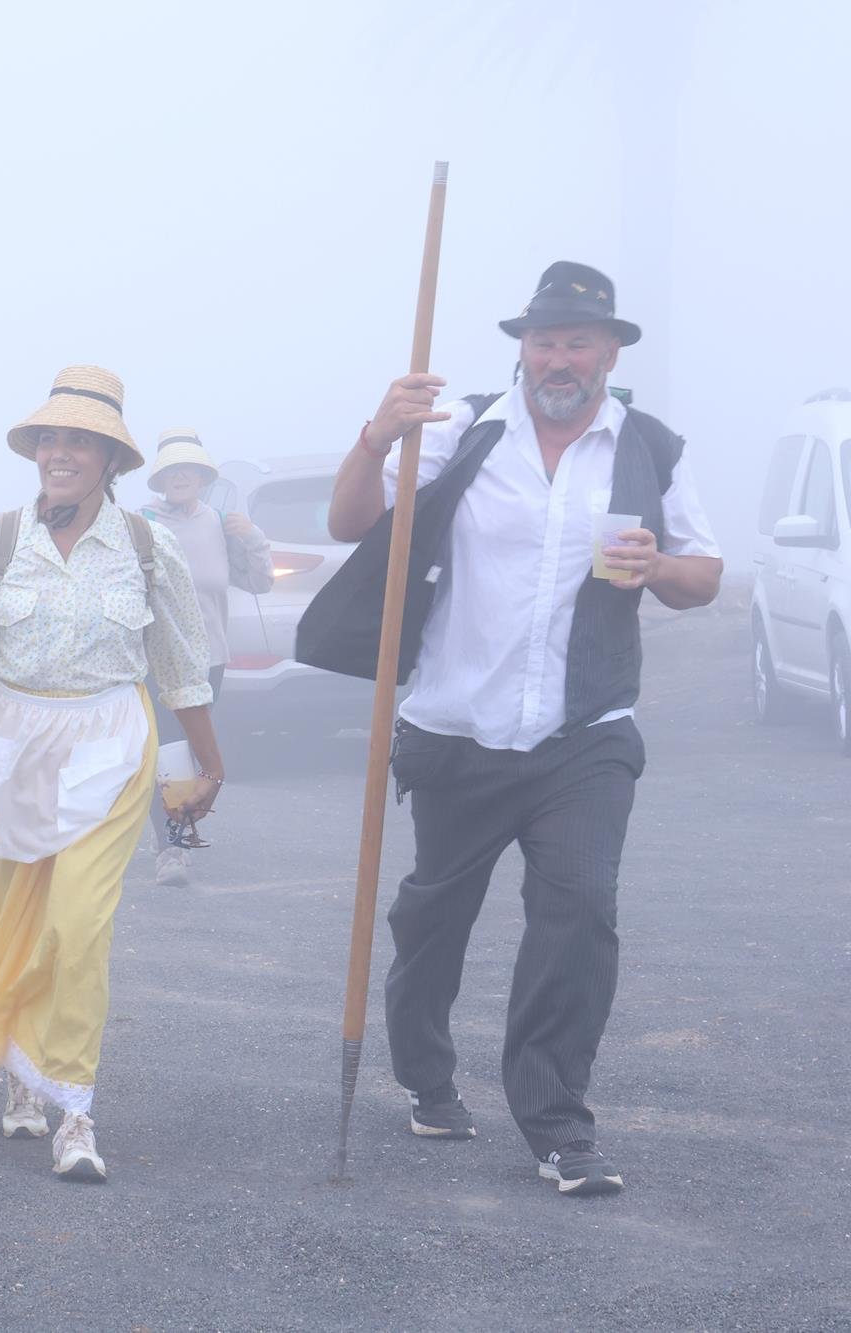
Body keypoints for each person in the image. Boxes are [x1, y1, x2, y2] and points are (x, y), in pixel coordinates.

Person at [310, 261, 723, 1197]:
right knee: (432, 918)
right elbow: (352, 522)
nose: (559, 358)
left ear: (611, 352)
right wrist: (377, 436)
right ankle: (426, 1074)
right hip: (457, 724)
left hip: (585, 731)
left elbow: (703, 577)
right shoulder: (464, 428)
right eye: (543, 341)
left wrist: (656, 563)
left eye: (578, 340)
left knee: (579, 912)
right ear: (523, 351)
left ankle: (558, 1125)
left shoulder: (651, 447)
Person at [0, 366, 224, 1183]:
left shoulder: (149, 547)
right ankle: (20, 1069)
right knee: (13, 920)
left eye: (79, 439)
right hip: (9, 748)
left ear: (112, 457)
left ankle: (74, 1107)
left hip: (112, 745)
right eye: (50, 437)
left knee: (76, 926)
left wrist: (208, 764)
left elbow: (183, 666)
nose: (60, 451)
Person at [138, 430, 274, 885]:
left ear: (201, 476)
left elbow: (259, 583)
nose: (180, 477)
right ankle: (172, 847)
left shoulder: (220, 523)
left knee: (194, 753)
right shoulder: (141, 524)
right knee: (169, 749)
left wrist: (252, 537)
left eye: (189, 469)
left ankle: (175, 835)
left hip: (209, 657)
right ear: (160, 479)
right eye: (171, 470)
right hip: (157, 658)